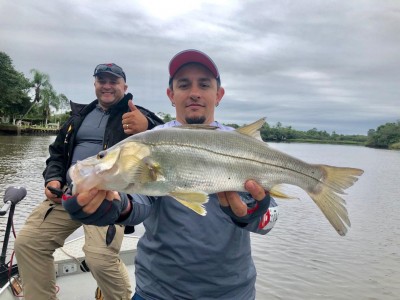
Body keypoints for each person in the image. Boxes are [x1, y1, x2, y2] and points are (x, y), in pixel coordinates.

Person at [62, 50, 279, 300]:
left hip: (231, 293)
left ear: (218, 95)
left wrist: (252, 212)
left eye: (204, 84)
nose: (194, 92)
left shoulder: (241, 145)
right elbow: (141, 202)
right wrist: (115, 206)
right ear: (171, 95)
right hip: (157, 291)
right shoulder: (150, 143)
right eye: (184, 85)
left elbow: (269, 221)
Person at [14, 63, 164, 300]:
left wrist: (148, 127)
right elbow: (56, 154)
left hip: (108, 198)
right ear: (95, 84)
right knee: (28, 244)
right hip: (67, 194)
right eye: (101, 80)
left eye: (113, 81)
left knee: (100, 259)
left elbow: (168, 142)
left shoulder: (137, 115)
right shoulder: (78, 117)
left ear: (124, 87)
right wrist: (52, 178)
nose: (107, 86)